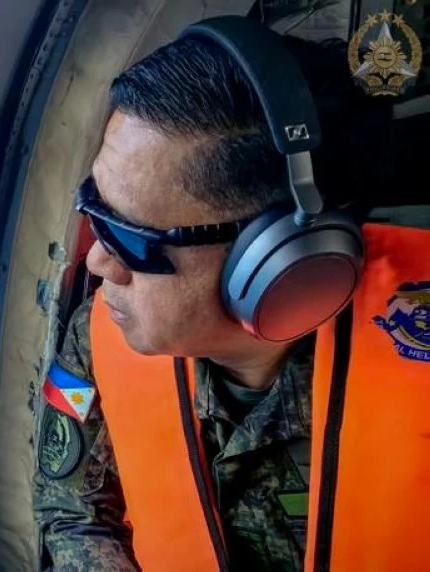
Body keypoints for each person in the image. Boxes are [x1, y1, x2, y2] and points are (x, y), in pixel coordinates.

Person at [31, 14, 428, 572]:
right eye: (94, 211)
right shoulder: (96, 338)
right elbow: (74, 511)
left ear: (281, 260)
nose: (98, 261)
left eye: (129, 237)